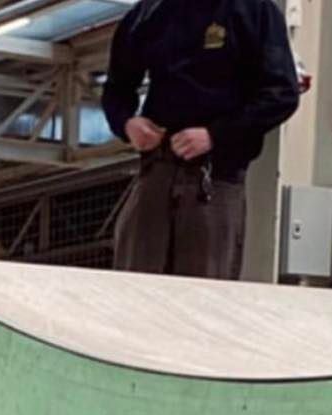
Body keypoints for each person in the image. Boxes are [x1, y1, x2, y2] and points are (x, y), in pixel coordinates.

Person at [101, 0, 300, 279]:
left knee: (204, 290)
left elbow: (281, 94)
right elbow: (116, 87)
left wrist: (215, 135)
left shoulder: (253, 10)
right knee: (135, 281)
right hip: (156, 170)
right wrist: (126, 123)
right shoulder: (148, 12)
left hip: (215, 177)